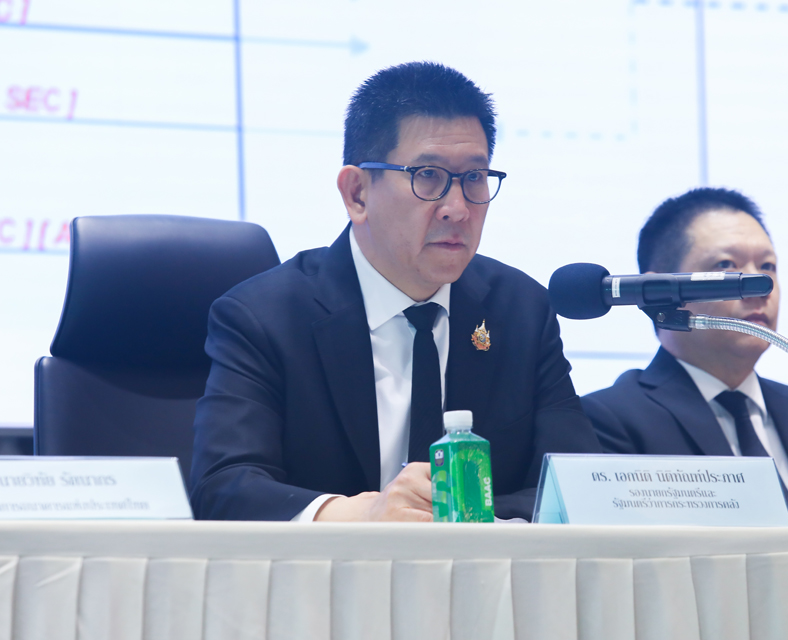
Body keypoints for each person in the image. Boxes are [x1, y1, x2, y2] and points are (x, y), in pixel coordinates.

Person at [190, 62, 601, 522]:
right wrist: (363, 516)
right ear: (357, 193)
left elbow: (576, 487)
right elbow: (224, 487)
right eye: (428, 175)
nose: (458, 208)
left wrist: (450, 514)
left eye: (474, 177)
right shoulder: (265, 317)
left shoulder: (520, 310)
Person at [581, 188, 788, 509]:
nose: (761, 287)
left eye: (768, 266)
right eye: (726, 264)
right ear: (657, 292)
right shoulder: (609, 421)